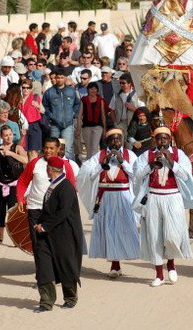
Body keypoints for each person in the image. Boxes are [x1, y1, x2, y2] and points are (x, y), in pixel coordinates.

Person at [132, 126, 193, 287]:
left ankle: (171, 264)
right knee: (154, 235)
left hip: (173, 197)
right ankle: (159, 274)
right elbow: (137, 174)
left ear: (170, 140)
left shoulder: (179, 154)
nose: (162, 141)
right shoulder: (147, 155)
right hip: (153, 197)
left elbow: (185, 175)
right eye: (159, 138)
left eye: (165, 138)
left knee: (172, 234)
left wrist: (171, 162)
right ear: (154, 140)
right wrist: (150, 166)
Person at [77, 128, 140, 278]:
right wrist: (102, 164)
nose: (115, 142)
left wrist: (122, 161)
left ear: (122, 141)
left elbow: (136, 175)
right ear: (107, 141)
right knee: (109, 230)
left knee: (122, 230)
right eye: (112, 139)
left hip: (123, 196)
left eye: (118, 139)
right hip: (105, 198)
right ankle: (114, 264)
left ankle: (119, 261)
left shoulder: (129, 155)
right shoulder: (99, 156)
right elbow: (88, 176)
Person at [17, 138, 79, 268]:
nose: (48, 151)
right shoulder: (35, 163)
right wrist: (20, 198)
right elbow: (23, 181)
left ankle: (55, 274)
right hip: (35, 208)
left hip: (55, 213)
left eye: (51, 148)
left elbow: (71, 188)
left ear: (58, 149)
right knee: (38, 244)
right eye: (46, 147)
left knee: (55, 243)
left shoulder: (65, 165)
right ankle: (42, 277)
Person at [32, 156, 83, 313]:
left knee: (65, 264)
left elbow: (64, 213)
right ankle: (46, 301)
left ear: (51, 170)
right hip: (46, 234)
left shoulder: (66, 187)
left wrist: (45, 226)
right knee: (43, 265)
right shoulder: (53, 185)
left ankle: (70, 297)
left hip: (63, 234)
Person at [42, 69, 80, 160]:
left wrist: (73, 114)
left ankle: (69, 169)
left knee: (67, 149)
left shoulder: (71, 91)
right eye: (58, 77)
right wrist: (51, 116)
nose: (59, 79)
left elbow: (77, 104)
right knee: (52, 148)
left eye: (62, 77)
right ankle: (52, 166)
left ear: (65, 78)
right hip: (54, 124)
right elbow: (45, 107)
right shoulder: (49, 92)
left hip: (68, 124)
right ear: (55, 78)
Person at [75, 81, 107, 159]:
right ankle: (89, 165)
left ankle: (94, 164)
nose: (93, 91)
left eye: (95, 89)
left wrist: (105, 129)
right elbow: (79, 115)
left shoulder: (101, 100)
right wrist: (78, 129)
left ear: (97, 90)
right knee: (88, 148)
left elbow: (103, 115)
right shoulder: (84, 100)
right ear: (88, 90)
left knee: (94, 147)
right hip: (86, 127)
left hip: (98, 126)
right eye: (91, 89)